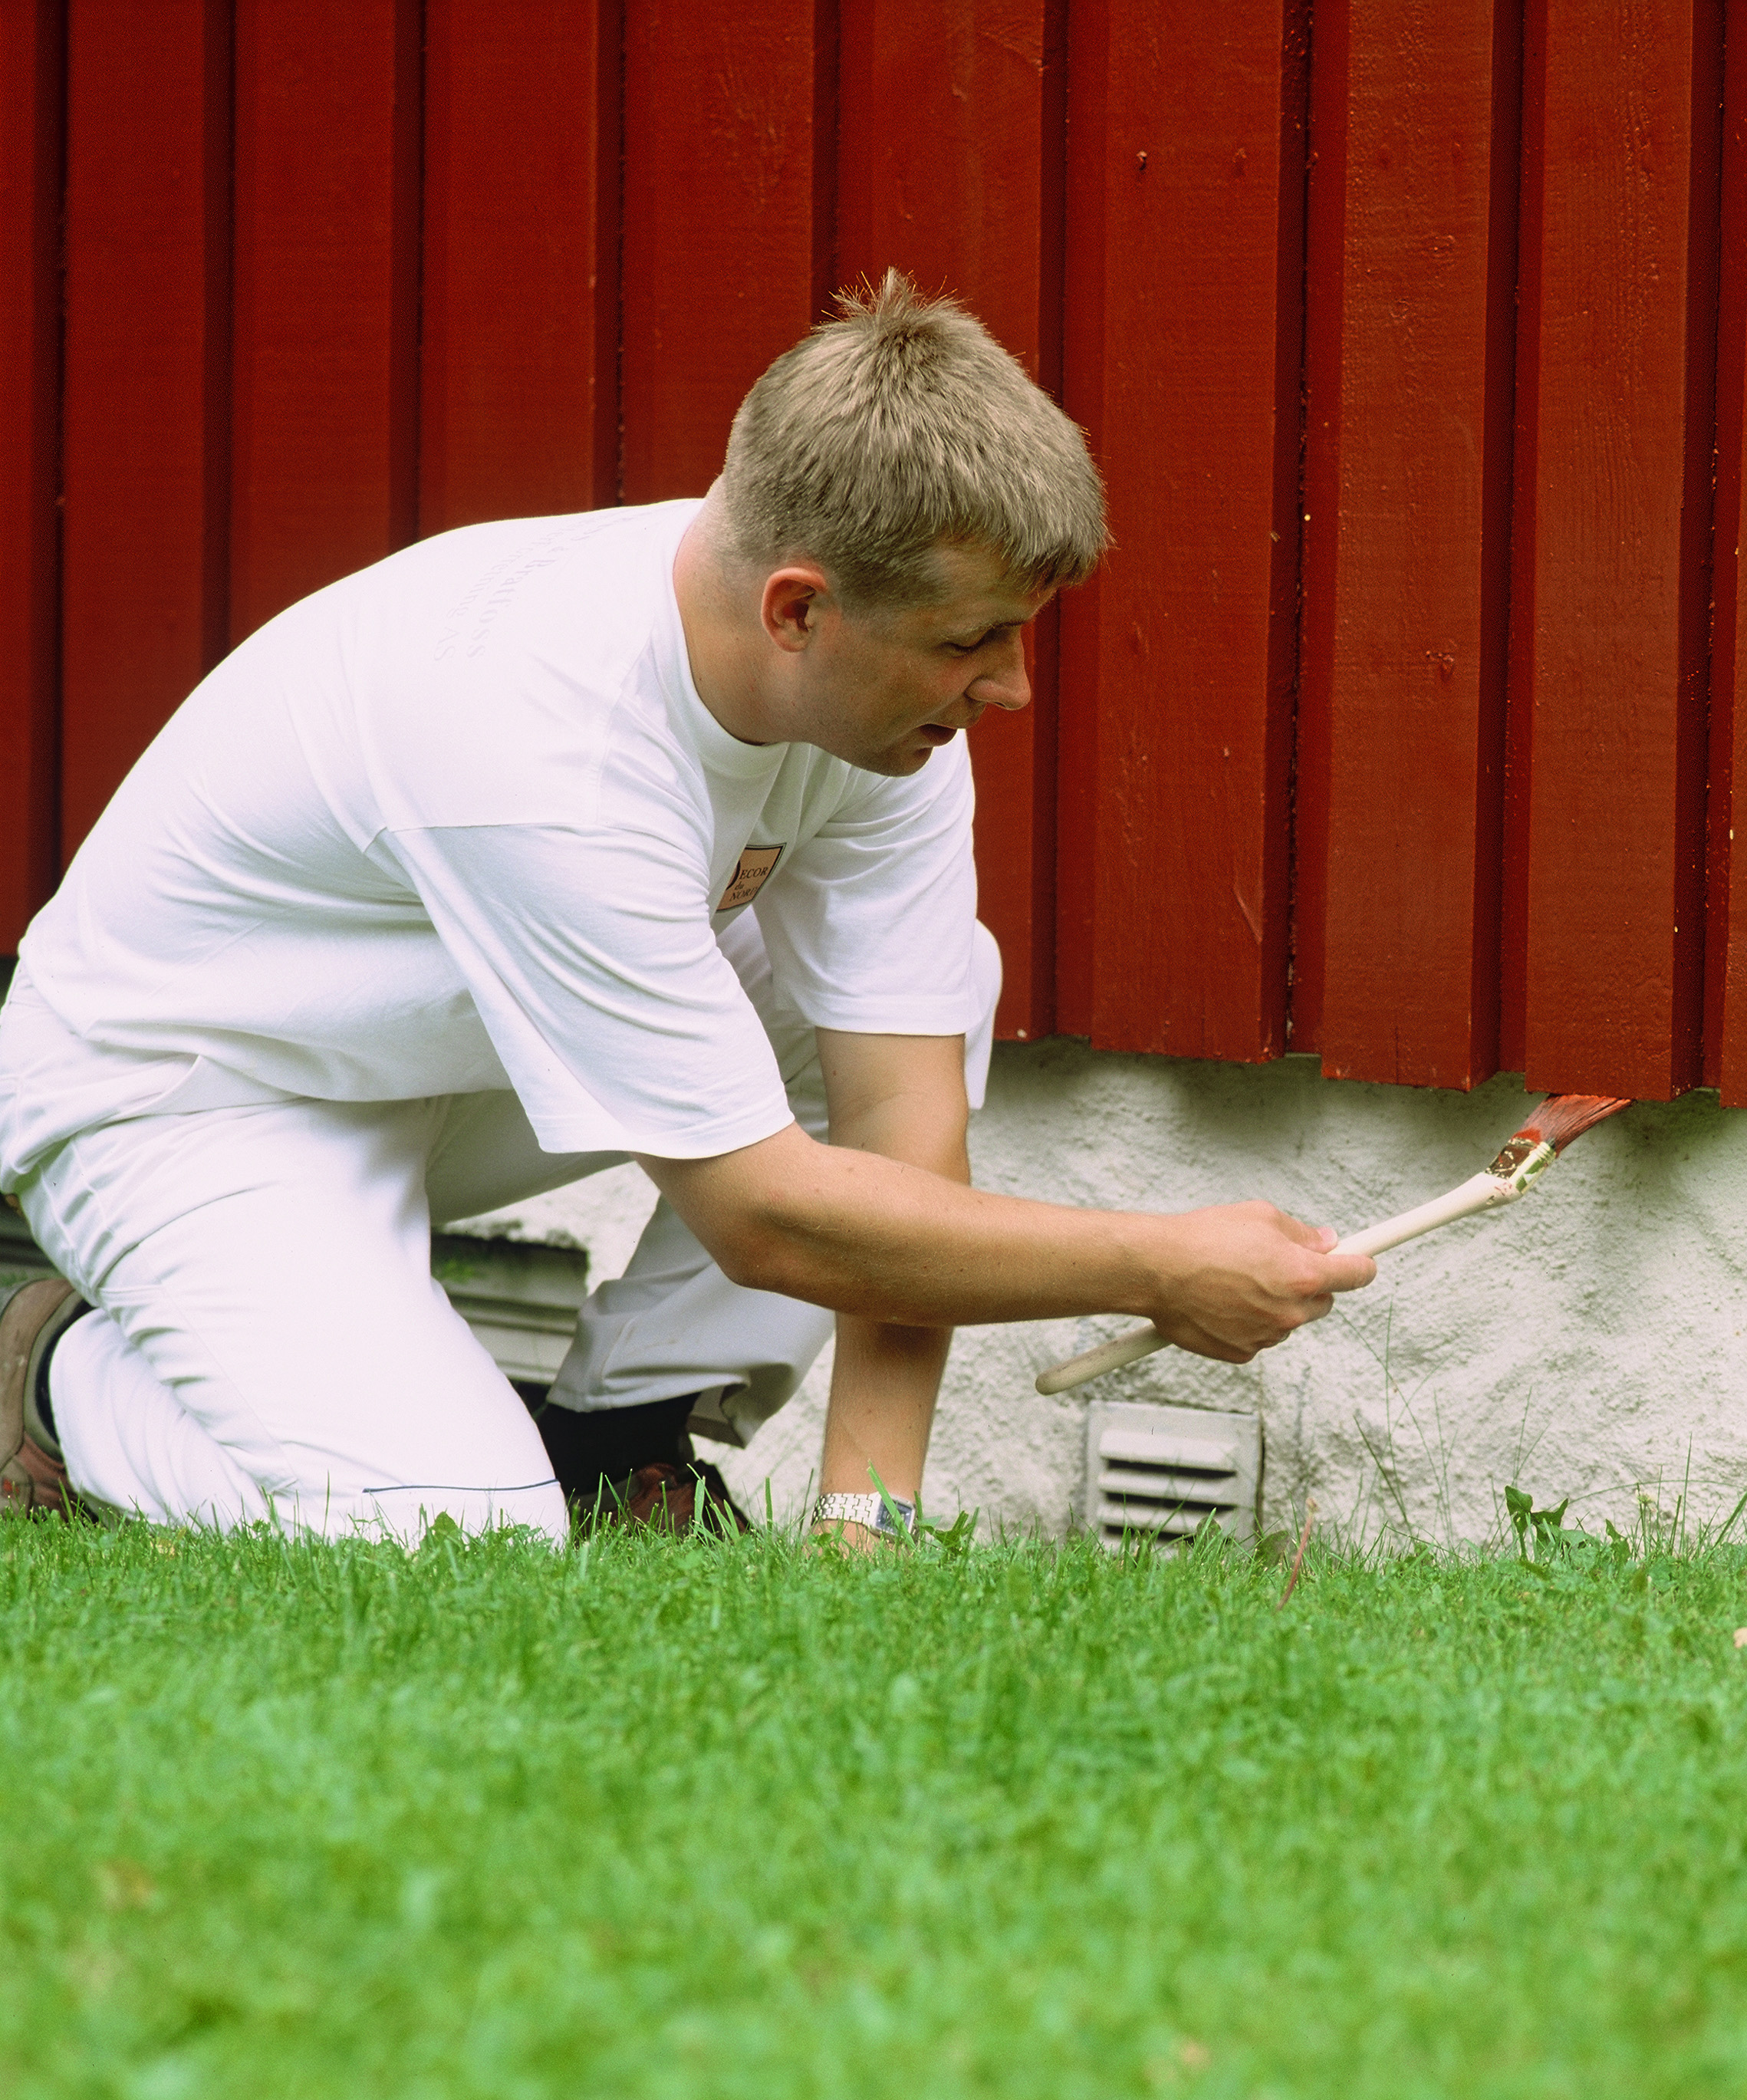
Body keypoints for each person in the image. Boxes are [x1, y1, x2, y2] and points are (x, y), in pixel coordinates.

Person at [0, 275, 1372, 1545]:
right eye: (971, 642)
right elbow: (770, 1220)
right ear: (798, 611)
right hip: (183, 1099)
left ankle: (623, 1442)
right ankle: (61, 1376)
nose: (1010, 689)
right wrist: (1151, 1264)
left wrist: (865, 1529)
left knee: (901, 997)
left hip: (436, 1065)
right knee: (454, 1535)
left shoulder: (877, 718)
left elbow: (898, 1125)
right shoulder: (542, 741)